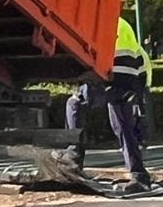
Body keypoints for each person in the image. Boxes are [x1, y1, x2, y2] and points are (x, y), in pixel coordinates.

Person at [63, 14, 153, 190]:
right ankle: (139, 176)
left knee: (75, 103)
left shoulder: (99, 22)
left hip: (114, 74)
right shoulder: (119, 23)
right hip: (130, 77)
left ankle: (73, 160)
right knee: (123, 126)